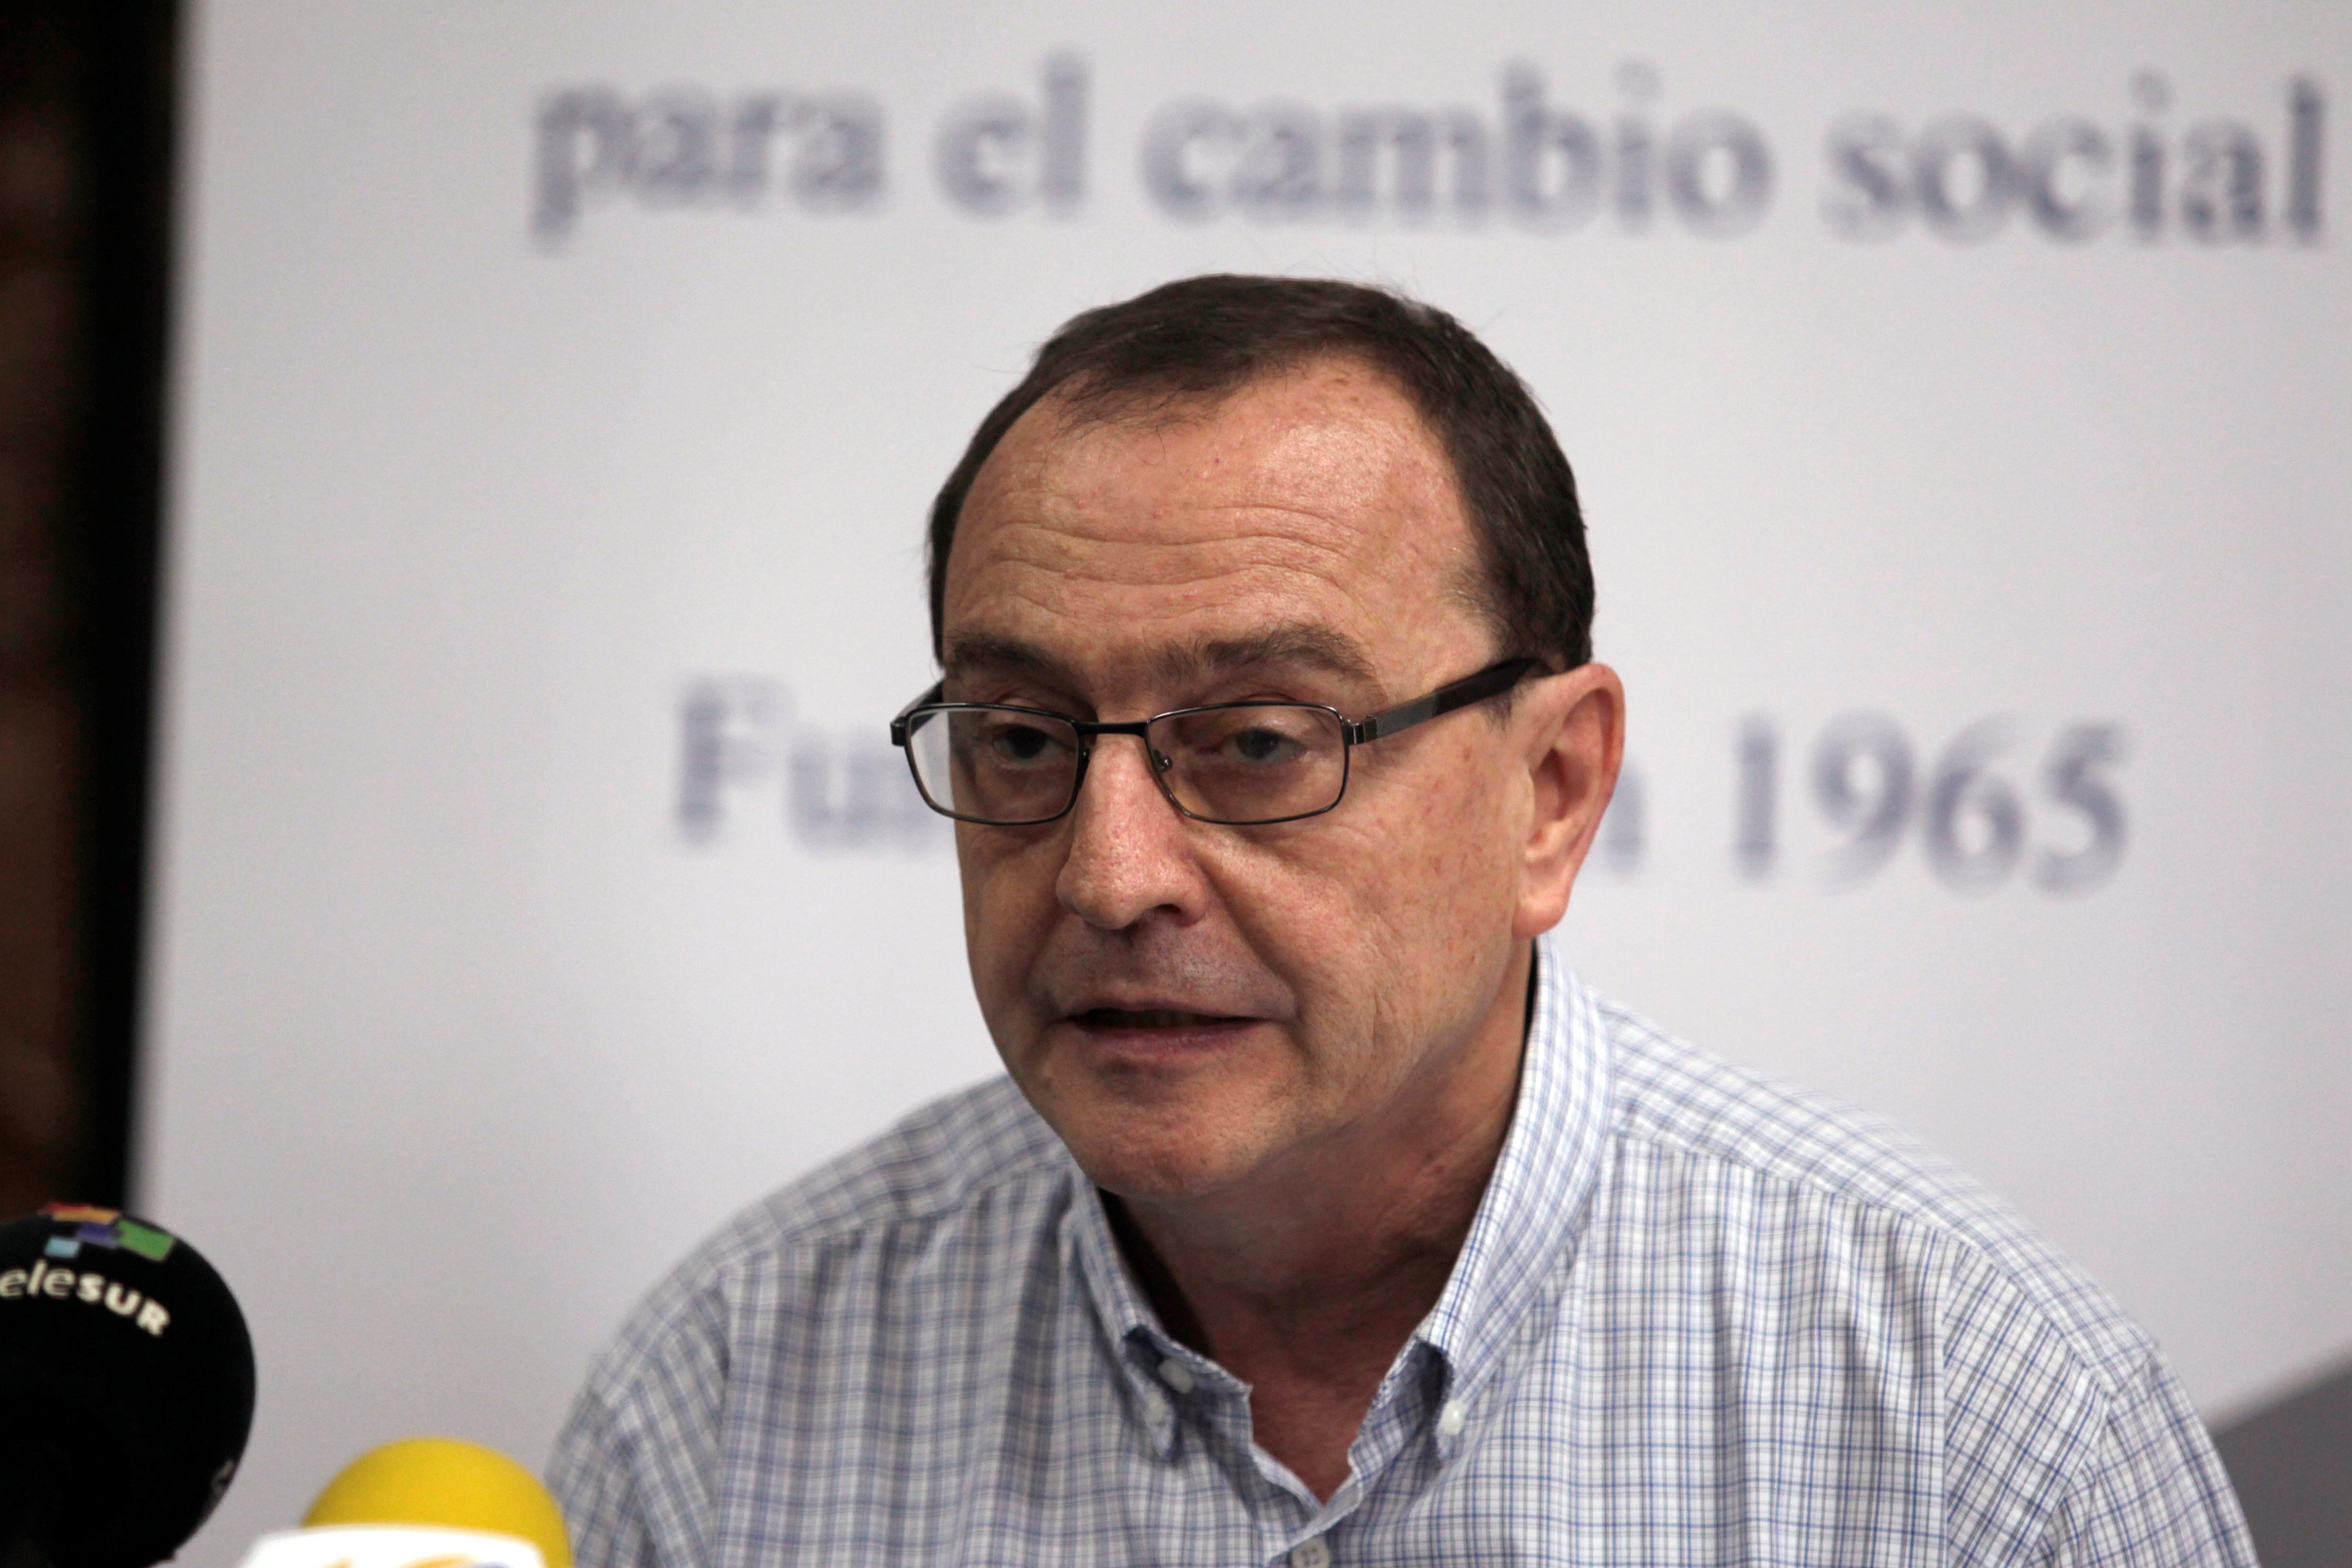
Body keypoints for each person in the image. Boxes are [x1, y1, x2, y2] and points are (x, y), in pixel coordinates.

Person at [549, 275, 2253, 1565]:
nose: (1108, 871)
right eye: (1022, 739)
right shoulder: (729, 1401)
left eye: (1263, 743)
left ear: (1553, 791)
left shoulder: (1976, 1422)